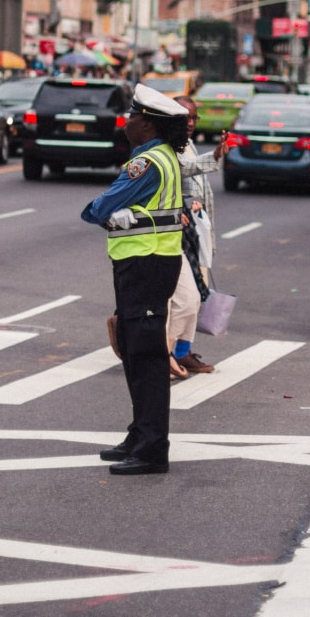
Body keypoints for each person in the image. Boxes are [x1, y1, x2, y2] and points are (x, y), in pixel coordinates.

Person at [82, 85, 192, 476]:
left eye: (132, 115)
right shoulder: (156, 156)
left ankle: (151, 449)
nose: (126, 122)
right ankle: (139, 434)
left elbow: (100, 208)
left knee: (145, 356)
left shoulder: (148, 163)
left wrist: (102, 211)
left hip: (147, 264)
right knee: (132, 348)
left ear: (146, 123)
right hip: (142, 263)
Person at [166, 95, 219, 376]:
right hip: (171, 235)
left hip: (195, 232)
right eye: (184, 117)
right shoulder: (162, 146)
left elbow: (191, 172)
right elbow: (177, 176)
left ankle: (182, 352)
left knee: (195, 297)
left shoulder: (185, 143)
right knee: (183, 299)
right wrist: (181, 207)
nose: (190, 123)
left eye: (193, 118)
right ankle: (167, 353)